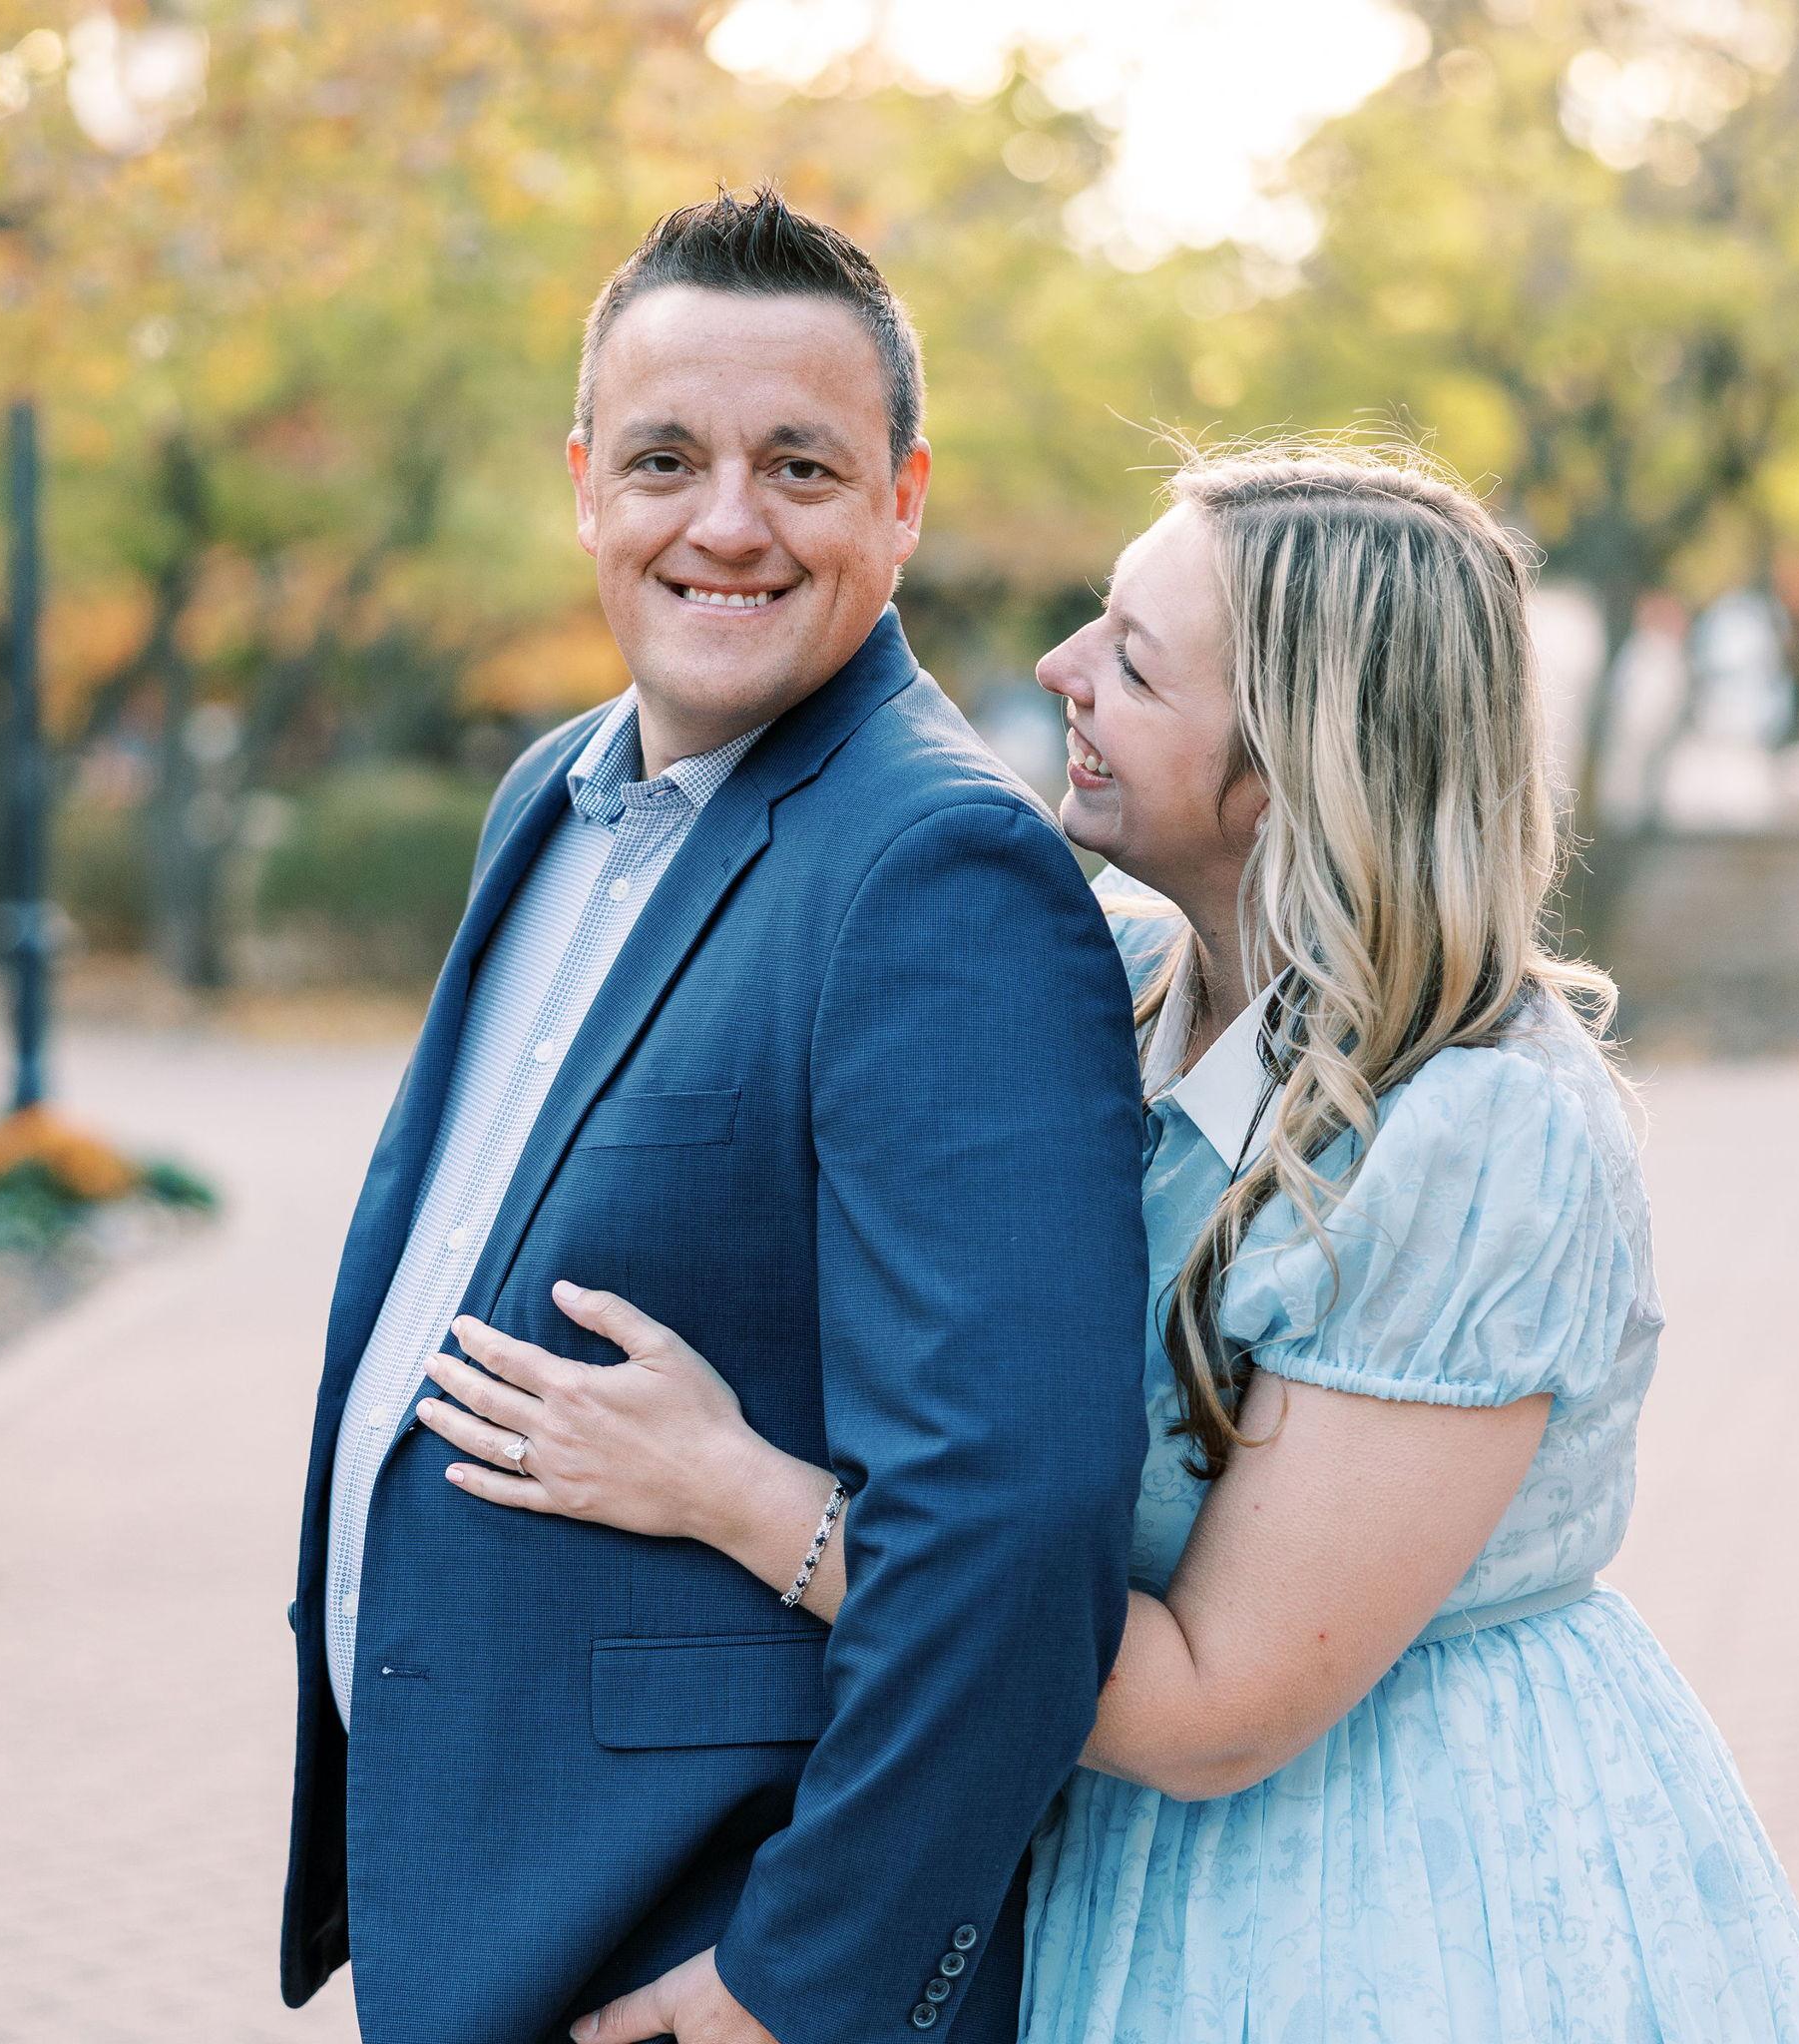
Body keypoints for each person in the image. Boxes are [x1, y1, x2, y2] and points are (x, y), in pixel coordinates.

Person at [425, 442, 1799, 2043]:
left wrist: (733, 1492)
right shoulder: (1106, 977)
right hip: (1111, 1862)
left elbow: (1213, 1710)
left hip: (1382, 1889)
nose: (1057, 672)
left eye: (1132, 659)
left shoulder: (1471, 1139)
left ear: (1292, 767)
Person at [279, 189, 1151, 2044]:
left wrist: (804, 1981)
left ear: (905, 500)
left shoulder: (939, 869)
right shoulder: (554, 793)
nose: (727, 523)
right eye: (668, 458)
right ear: (587, 482)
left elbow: (1015, 1526)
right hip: (497, 1895)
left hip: (701, 1937)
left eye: (803, 467)